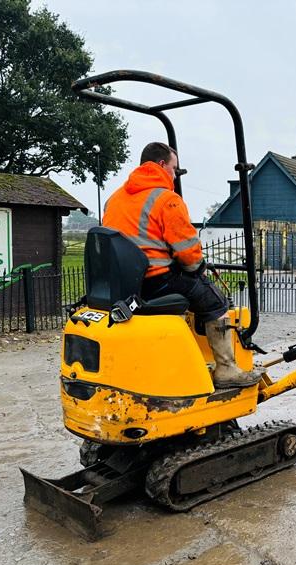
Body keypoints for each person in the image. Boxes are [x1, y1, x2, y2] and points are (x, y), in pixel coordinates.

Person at [102, 142, 262, 388]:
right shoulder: (167, 200)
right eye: (174, 169)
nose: (175, 175)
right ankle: (227, 369)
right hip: (156, 281)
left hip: (124, 287)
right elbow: (189, 254)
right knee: (215, 301)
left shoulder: (114, 199)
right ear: (162, 165)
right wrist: (198, 268)